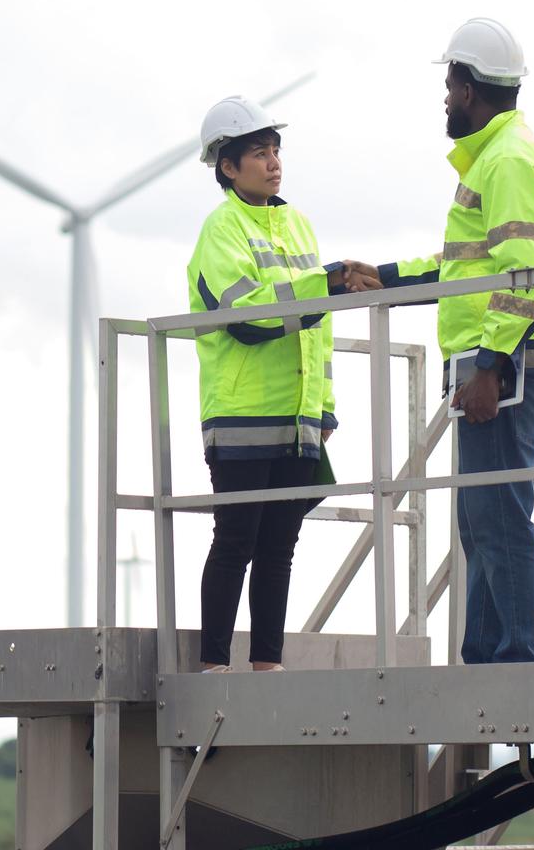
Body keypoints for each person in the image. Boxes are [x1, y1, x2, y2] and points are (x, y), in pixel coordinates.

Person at [377, 18, 534, 664]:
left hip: (508, 358)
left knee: (499, 517)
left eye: (448, 83)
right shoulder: (498, 156)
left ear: (466, 87)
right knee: (480, 520)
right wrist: (379, 278)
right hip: (498, 356)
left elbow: (523, 270)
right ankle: (487, 657)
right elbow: (463, 266)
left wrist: (491, 364)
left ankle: (513, 664)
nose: (444, 98)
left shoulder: (509, 159)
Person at [186, 96, 380, 672]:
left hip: (300, 418)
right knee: (235, 542)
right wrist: (324, 283)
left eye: (275, 152)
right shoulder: (220, 229)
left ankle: (268, 665)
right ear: (228, 167)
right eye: (258, 153)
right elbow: (246, 315)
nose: (273, 163)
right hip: (243, 415)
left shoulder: (297, 223)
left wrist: (324, 411)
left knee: (280, 548)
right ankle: (215, 668)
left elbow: (315, 331)